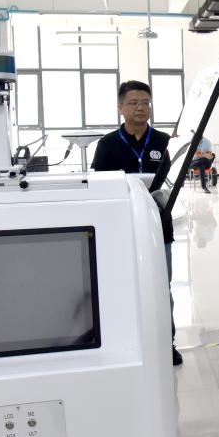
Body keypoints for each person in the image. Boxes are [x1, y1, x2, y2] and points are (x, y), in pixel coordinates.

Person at [91, 80, 182, 366]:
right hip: (122, 227)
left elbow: (173, 180)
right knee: (124, 283)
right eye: (134, 103)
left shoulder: (164, 142)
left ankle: (166, 342)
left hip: (159, 226)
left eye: (145, 102)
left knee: (161, 286)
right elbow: (99, 186)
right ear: (121, 108)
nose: (141, 108)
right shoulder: (107, 145)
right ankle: (127, 340)